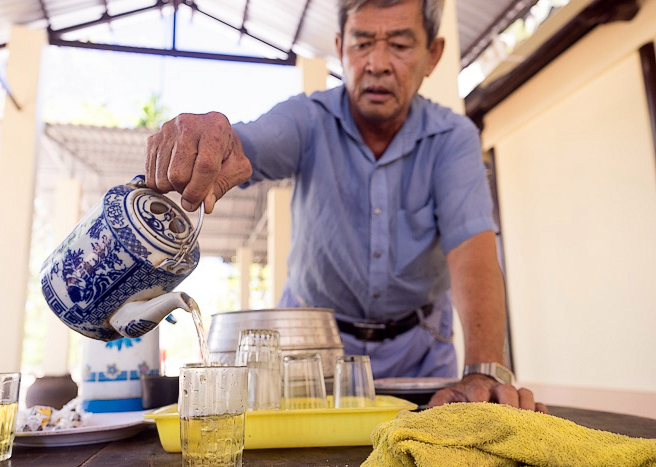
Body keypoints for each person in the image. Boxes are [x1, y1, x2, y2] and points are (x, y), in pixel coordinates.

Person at [145, 0, 546, 412]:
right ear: (340, 48)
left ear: (433, 55)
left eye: (400, 45)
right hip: (308, 353)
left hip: (422, 352)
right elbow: (248, 144)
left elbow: (473, 247)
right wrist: (214, 137)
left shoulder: (453, 138)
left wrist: (484, 369)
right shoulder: (308, 119)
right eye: (362, 43)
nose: (377, 63)